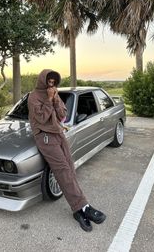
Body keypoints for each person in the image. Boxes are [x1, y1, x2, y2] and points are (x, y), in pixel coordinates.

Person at [28, 69, 106, 232]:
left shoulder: (54, 94)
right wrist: (49, 99)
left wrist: (55, 99)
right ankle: (84, 207)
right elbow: (41, 118)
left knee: (69, 168)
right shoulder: (33, 97)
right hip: (45, 137)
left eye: (54, 82)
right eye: (49, 81)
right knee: (63, 171)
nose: (51, 85)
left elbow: (63, 115)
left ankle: (79, 211)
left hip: (58, 133)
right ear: (43, 81)